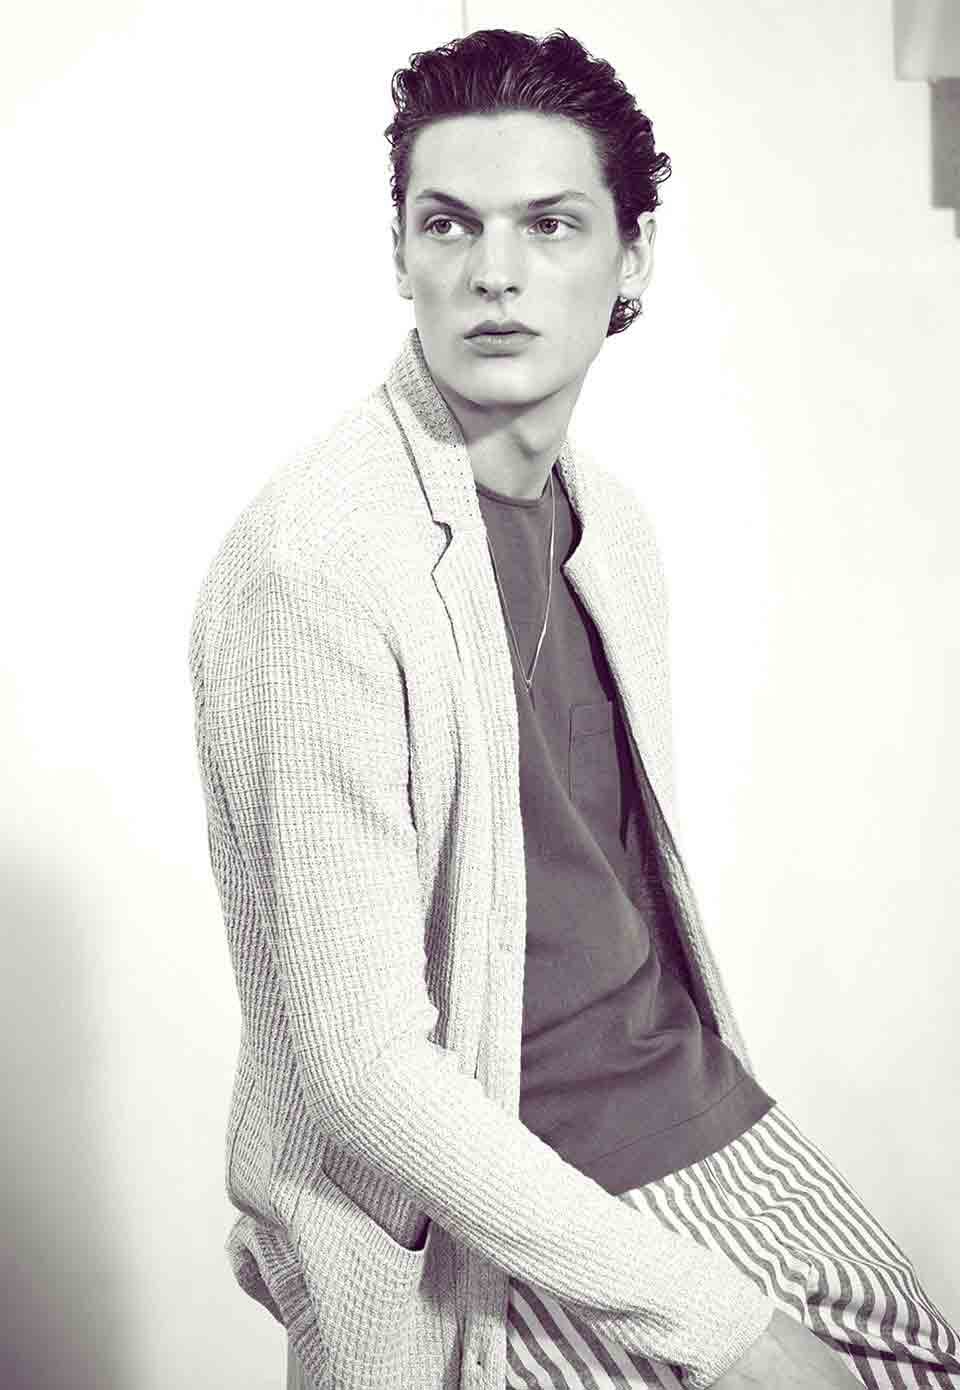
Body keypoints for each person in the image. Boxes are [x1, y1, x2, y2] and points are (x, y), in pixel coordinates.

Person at [187, 26, 959, 1390]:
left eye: (550, 225)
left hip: (690, 1108)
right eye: (450, 224)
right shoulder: (317, 566)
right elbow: (360, 1071)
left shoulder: (614, 526)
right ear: (401, 254)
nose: (494, 272)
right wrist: (725, 1329)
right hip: (476, 1203)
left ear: (632, 258)